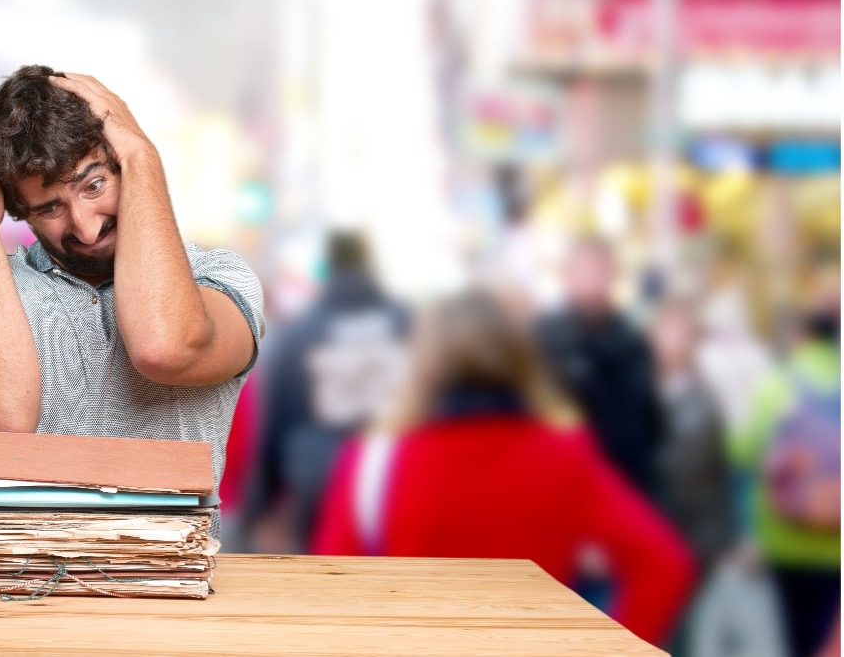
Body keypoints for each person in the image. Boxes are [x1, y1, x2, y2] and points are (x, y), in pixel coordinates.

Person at [0, 66, 265, 533]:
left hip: (169, 583)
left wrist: (141, 153)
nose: (87, 228)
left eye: (94, 185)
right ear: (18, 211)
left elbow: (164, 348)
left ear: (123, 163)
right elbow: (5, 422)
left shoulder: (217, 278)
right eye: (50, 208)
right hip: (18, 587)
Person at [312, 290, 696, 648]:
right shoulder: (563, 455)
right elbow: (664, 563)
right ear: (519, 356)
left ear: (420, 362)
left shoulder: (372, 464)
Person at [241, 232, 410, 552]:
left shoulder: (302, 331)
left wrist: (260, 503)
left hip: (319, 475)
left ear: (329, 266)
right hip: (396, 470)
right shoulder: (407, 322)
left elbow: (278, 420)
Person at [729, 265, 840, 657]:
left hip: (787, 533)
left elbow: (745, 450)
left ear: (802, 336)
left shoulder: (780, 382)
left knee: (798, 632)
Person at [535, 237, 664, 500]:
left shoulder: (631, 337)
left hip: (630, 484)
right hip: (570, 487)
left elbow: (649, 417)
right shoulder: (545, 338)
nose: (594, 282)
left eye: (602, 271)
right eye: (585, 272)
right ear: (567, 276)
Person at [650, 299, 734, 573]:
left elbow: (677, 470)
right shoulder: (641, 386)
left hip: (685, 539)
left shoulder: (699, 402)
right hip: (650, 536)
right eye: (663, 330)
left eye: (678, 333)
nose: (668, 340)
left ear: (692, 341)